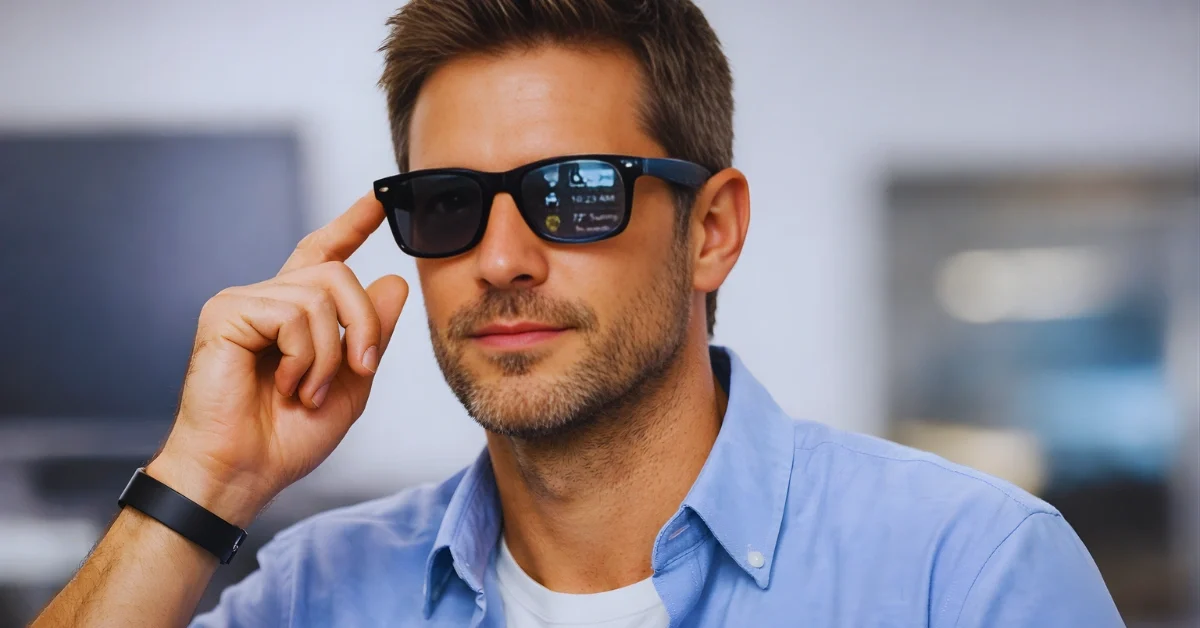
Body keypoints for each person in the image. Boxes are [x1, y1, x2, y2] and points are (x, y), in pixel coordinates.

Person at [35, 1, 1123, 626]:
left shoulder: (968, 575)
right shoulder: (320, 593)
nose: (500, 258)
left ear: (712, 230)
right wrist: (203, 480)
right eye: (451, 203)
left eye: (575, 195)